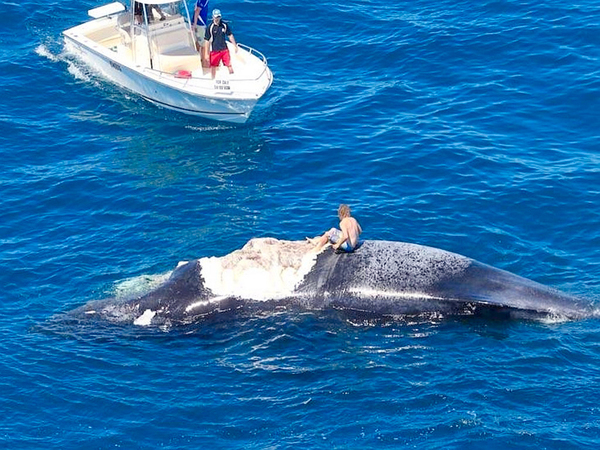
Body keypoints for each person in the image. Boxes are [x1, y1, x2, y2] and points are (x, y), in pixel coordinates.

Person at [203, 9, 237, 78]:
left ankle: (233, 77)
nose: (217, 19)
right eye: (215, 17)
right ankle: (212, 79)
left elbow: (230, 35)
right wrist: (206, 54)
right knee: (213, 67)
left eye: (218, 17)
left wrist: (235, 45)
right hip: (215, 50)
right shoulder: (210, 27)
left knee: (229, 65)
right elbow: (207, 41)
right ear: (212, 17)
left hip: (224, 49)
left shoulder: (224, 25)